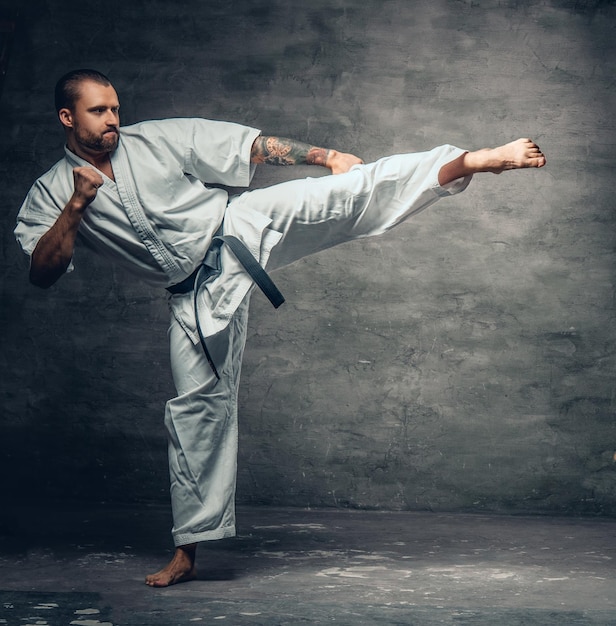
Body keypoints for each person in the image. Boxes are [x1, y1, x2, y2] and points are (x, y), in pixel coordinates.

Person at [14, 68, 546, 587]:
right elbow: (43, 272)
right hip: (193, 299)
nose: (113, 119)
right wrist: (79, 203)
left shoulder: (154, 140)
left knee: (340, 194)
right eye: (98, 111)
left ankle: (471, 160)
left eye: (115, 108)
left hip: (237, 226)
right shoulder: (50, 192)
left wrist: (329, 156)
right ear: (67, 116)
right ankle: (187, 552)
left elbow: (247, 146)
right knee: (195, 414)